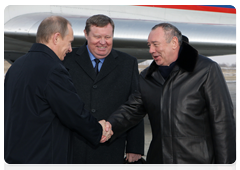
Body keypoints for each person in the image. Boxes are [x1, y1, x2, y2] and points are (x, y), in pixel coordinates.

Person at [108, 23, 236, 170]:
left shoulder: (206, 70)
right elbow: (131, 109)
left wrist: (226, 162)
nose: (151, 50)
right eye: (149, 45)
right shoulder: (147, 77)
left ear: (174, 43)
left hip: (198, 164)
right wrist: (109, 125)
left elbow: (222, 119)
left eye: (155, 45)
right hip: (160, 163)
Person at [4, 16, 112, 170]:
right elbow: (74, 113)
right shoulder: (52, 69)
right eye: (69, 42)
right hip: (43, 161)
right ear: (56, 38)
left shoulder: (16, 67)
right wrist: (98, 129)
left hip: (14, 160)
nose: (70, 49)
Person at [63, 14, 144, 170]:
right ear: (86, 34)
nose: (103, 42)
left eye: (107, 37)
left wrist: (135, 147)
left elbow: (136, 106)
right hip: (73, 145)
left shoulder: (128, 63)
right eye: (97, 36)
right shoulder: (67, 59)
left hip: (110, 147)